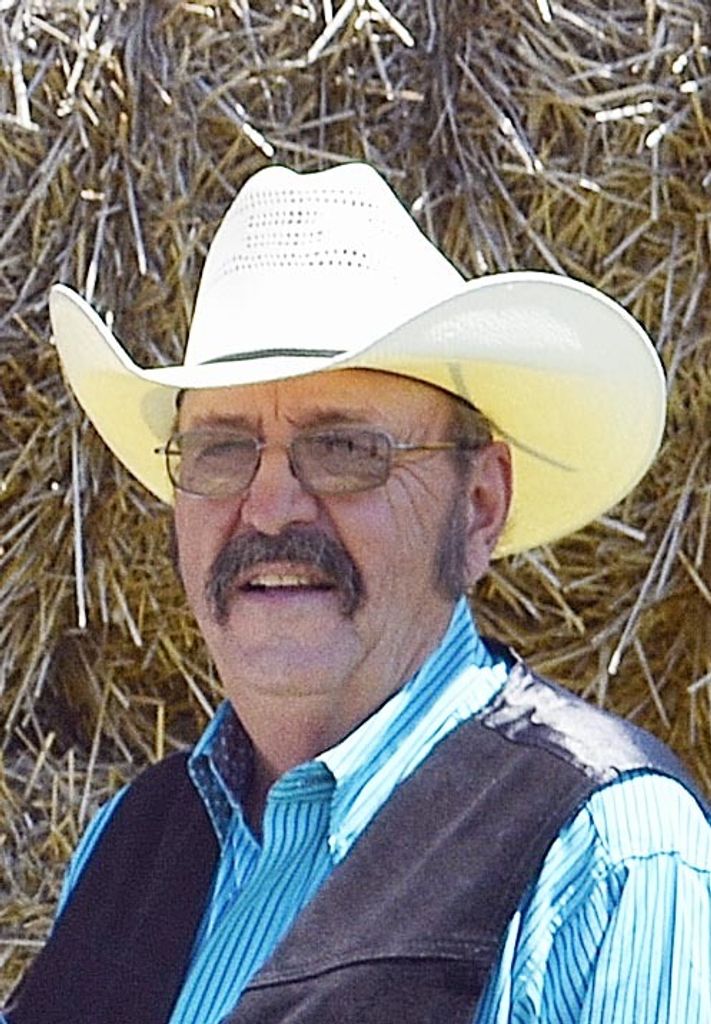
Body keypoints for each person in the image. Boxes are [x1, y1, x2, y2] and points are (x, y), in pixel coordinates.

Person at [4, 163, 710, 1024]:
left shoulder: (605, 857)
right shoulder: (127, 842)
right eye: (221, 449)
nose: (269, 507)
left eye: (343, 448)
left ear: (477, 507)